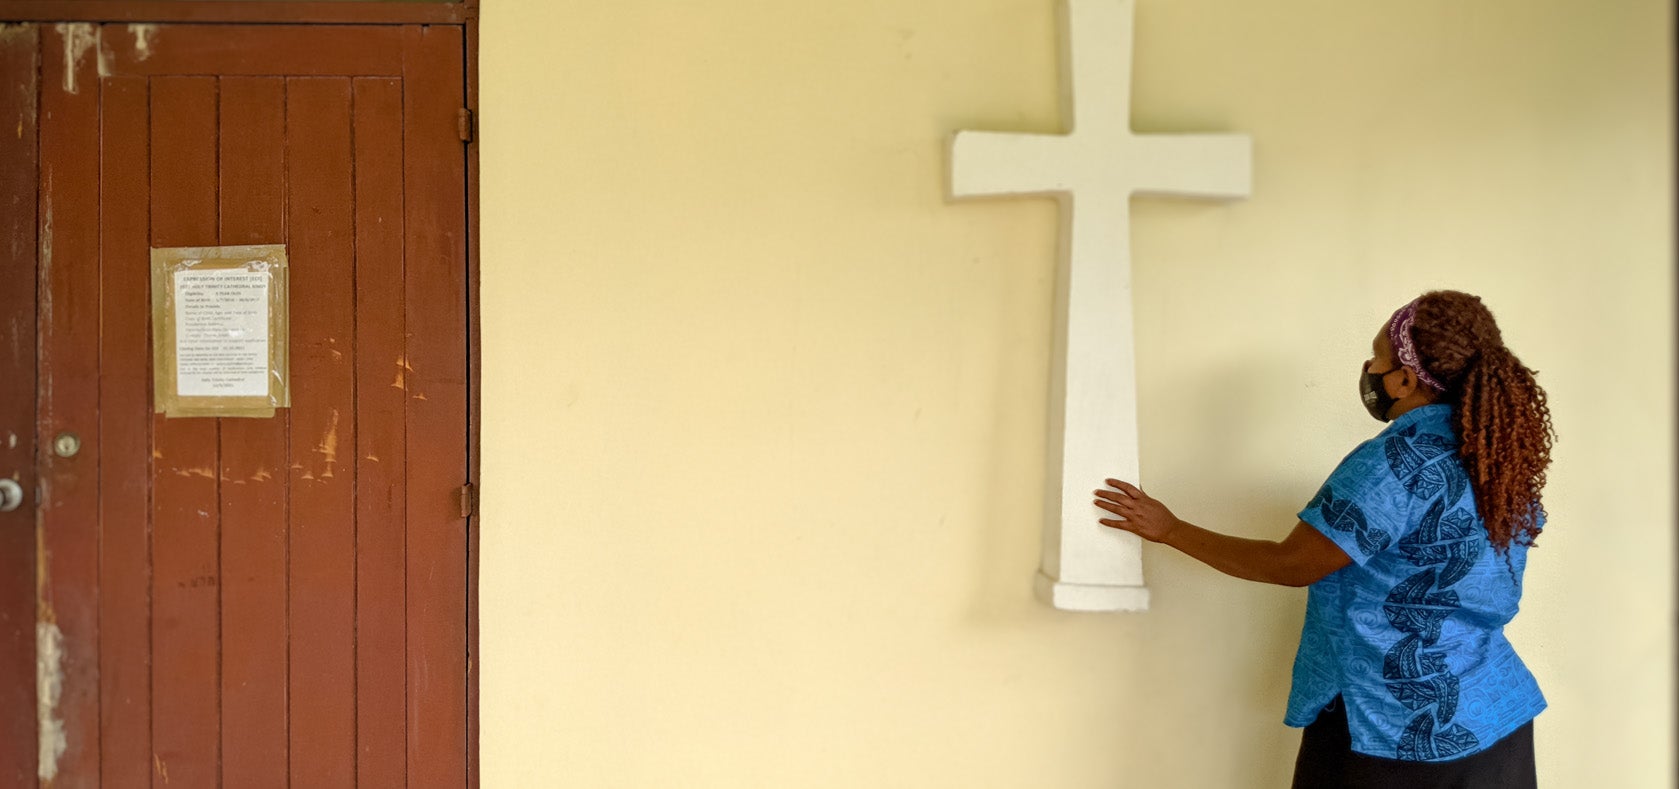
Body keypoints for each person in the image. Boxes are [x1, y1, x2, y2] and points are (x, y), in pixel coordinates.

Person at [1094, 290, 1553, 788]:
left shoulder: (1393, 463)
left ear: (1404, 379)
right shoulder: (1501, 460)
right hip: (1495, 716)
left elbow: (1292, 565)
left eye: (1378, 356)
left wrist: (1170, 529)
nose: (1369, 367)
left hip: (1390, 728)